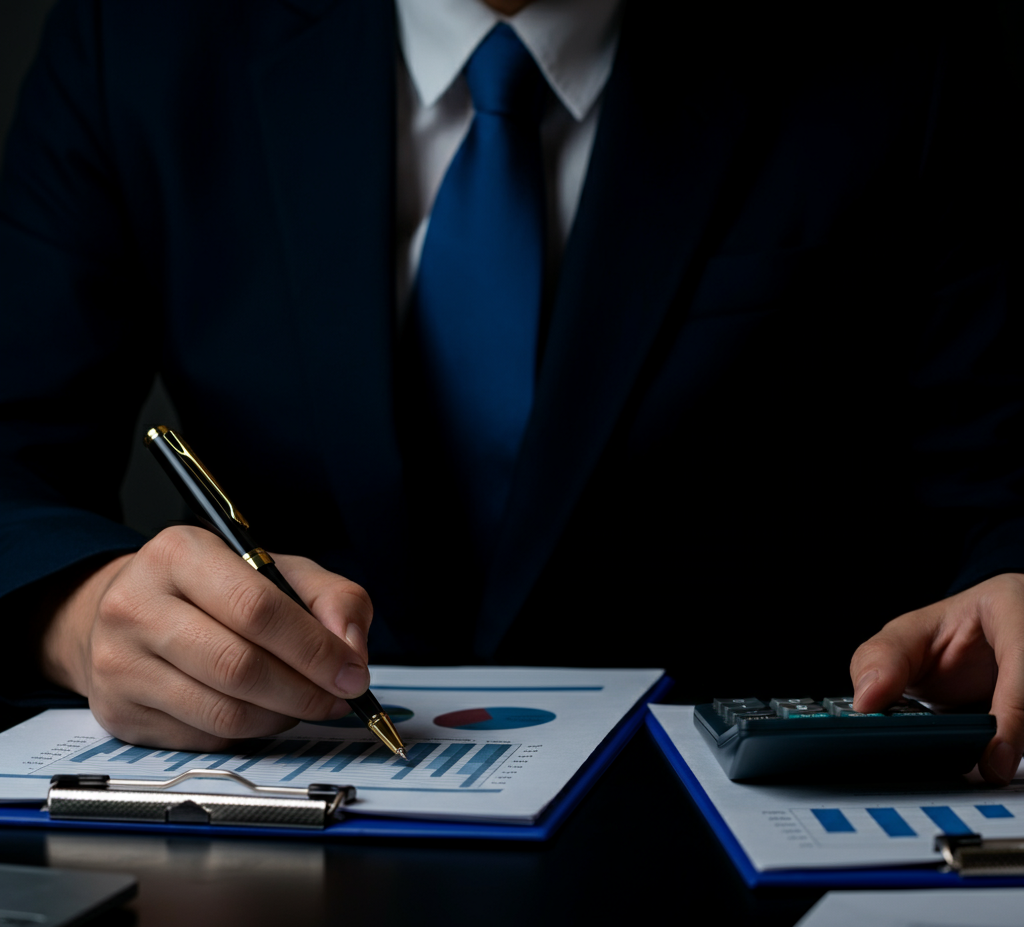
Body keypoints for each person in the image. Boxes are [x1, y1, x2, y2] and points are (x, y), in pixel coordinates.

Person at [1, 0, 1022, 780]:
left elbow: (1000, 491)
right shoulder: (136, 37)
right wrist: (82, 615)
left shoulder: (906, 44)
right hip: (291, 804)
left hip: (741, 830)